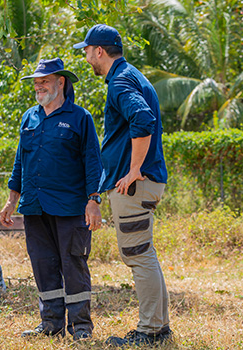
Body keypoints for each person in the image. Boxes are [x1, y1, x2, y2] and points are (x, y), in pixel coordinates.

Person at [74, 24, 172, 346]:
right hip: (145, 182)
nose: (86, 57)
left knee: (138, 255)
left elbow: (143, 120)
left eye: (87, 51)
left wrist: (133, 170)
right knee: (144, 254)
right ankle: (158, 326)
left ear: (99, 51)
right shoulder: (131, 75)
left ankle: (149, 332)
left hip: (135, 186)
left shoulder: (119, 81)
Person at [0, 58, 103, 341]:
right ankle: (51, 323)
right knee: (43, 265)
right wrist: (11, 200)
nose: (39, 86)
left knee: (73, 265)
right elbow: (20, 161)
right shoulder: (29, 117)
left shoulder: (80, 118)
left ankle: (80, 326)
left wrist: (94, 200)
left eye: (45, 81)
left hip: (70, 208)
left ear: (61, 83)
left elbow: (93, 162)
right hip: (34, 206)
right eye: (36, 82)